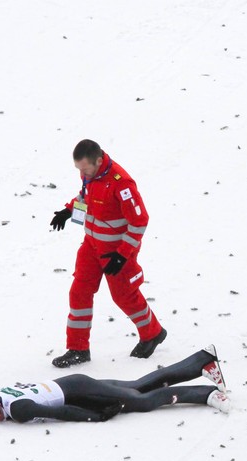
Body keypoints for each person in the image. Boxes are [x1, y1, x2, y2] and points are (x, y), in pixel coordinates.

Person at [49, 139, 166, 367]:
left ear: (99, 161)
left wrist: (122, 255)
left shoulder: (122, 184)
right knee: (79, 292)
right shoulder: (90, 174)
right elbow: (86, 197)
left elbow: (139, 221)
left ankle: (152, 333)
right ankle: (78, 349)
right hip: (91, 246)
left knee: (124, 296)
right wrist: (69, 210)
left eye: (85, 169)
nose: (82, 173)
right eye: (79, 169)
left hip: (116, 251)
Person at [0, 346, 229, 424]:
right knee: (138, 387)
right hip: (74, 386)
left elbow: (59, 412)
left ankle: (206, 394)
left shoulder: (17, 410)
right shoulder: (3, 396)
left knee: (141, 401)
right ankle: (202, 361)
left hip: (77, 391)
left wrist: (95, 416)